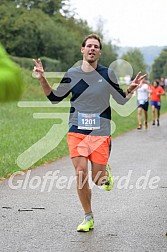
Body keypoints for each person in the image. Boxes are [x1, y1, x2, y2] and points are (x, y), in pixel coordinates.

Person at [33, 34, 146, 232]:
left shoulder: (107, 74)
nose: (92, 49)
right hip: (77, 129)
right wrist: (42, 78)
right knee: (81, 173)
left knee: (98, 179)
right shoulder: (72, 73)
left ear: (99, 52)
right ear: (82, 50)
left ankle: (105, 174)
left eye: (96, 46)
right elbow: (54, 98)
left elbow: (120, 100)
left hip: (100, 131)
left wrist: (131, 88)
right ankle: (88, 216)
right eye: (89, 46)